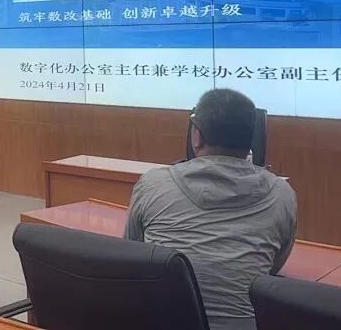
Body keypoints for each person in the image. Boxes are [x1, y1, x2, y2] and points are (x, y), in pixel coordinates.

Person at [124, 89, 297, 330]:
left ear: (197, 136)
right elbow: (273, 265)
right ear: (251, 138)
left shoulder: (153, 183)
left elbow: (133, 255)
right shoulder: (282, 194)